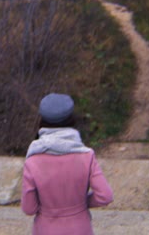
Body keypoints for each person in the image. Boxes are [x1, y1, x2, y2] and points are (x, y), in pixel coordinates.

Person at [21, 93, 113, 235]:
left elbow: (29, 208)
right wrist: (81, 204)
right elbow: (105, 196)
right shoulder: (87, 156)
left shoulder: (32, 160)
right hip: (80, 228)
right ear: (71, 120)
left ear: (42, 120)